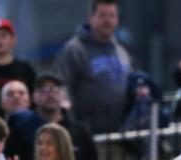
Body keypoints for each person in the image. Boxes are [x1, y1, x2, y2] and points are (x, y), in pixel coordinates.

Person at [54, 0, 132, 134]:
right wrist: (65, 105)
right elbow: (62, 83)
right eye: (102, 15)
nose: (107, 20)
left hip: (121, 136)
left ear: (117, 20)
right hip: (89, 134)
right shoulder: (75, 49)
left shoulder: (121, 51)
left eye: (112, 15)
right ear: (91, 18)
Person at [5, 72, 98, 160]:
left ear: (64, 95)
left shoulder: (80, 131)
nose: (49, 93)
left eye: (55, 89)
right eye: (43, 89)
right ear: (33, 96)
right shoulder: (20, 131)